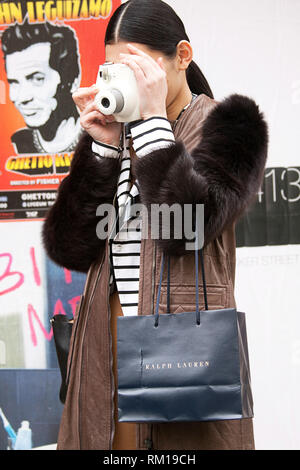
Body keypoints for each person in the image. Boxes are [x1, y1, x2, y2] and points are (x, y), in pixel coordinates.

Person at [42, 0, 269, 450]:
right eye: (115, 69)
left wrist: (151, 125)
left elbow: (185, 229)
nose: (129, 82)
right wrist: (102, 150)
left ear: (182, 56)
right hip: (105, 346)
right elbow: (69, 247)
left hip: (180, 353)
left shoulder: (230, 126)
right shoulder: (118, 134)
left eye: (139, 69)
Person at [1, 20, 81, 154]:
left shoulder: (98, 139)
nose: (22, 97)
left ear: (72, 80)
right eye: (14, 82)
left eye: (37, 79)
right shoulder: (15, 145)